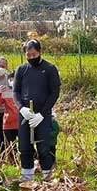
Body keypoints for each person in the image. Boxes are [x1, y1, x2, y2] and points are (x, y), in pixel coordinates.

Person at [14, 39, 61, 182]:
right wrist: (21, 108)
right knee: (24, 146)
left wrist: (43, 113)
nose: (31, 58)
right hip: (25, 114)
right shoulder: (21, 70)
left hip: (42, 115)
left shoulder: (50, 69)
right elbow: (15, 92)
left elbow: (54, 92)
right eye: (28, 55)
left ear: (40, 52)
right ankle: (27, 178)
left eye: (34, 55)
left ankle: (47, 176)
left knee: (44, 147)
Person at [0, 70, 20, 162]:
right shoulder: (6, 91)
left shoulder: (23, 91)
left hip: (21, 123)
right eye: (10, 79)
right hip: (8, 124)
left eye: (15, 79)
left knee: (25, 145)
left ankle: (31, 162)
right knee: (10, 146)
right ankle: (13, 164)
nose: (13, 81)